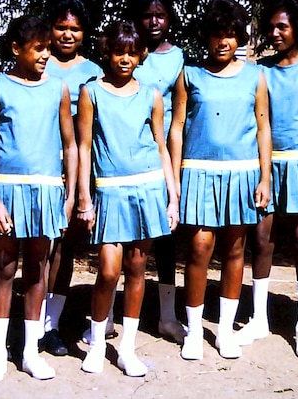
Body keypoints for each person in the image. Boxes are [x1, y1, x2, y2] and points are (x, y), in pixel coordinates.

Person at [0, 15, 77, 382]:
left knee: (38, 268)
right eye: (39, 48)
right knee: (5, 266)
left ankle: (30, 351)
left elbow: (70, 144)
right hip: (8, 189)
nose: (46, 54)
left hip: (47, 190)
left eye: (49, 47)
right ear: (16, 49)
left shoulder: (58, 89)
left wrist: (70, 195)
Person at [168, 0, 272, 361]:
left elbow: (262, 127)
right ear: (206, 37)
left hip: (242, 174)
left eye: (231, 35)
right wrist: (176, 178)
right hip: (198, 172)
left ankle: (224, 330)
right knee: (198, 248)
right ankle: (194, 331)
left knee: (235, 251)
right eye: (217, 35)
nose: (224, 42)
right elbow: (177, 127)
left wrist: (265, 177)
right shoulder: (189, 74)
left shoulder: (255, 76)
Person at [76, 21, 180, 376]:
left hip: (148, 188)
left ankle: (127, 349)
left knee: (137, 268)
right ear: (107, 53)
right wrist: (84, 198)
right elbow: (84, 147)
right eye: (119, 52)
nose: (125, 59)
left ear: (141, 55)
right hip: (109, 191)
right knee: (107, 271)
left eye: (132, 53)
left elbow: (162, 146)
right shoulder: (92, 92)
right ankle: (96, 341)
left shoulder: (151, 94)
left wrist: (171, 198)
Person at [236, 0, 298, 359]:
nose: (275, 34)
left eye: (282, 28)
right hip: (267, 164)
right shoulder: (262, 71)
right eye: (271, 28)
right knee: (261, 238)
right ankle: (259, 317)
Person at [40, 0, 102, 356]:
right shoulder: (37, 63)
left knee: (64, 247)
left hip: (77, 170)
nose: (67, 34)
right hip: (38, 167)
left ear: (84, 33)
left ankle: (52, 324)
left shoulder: (93, 71)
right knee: (37, 247)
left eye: (74, 29)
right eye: (61, 27)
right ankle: (30, 322)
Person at [129, 0, 187, 343]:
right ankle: (108, 318)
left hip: (161, 156)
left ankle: (168, 315)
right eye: (147, 14)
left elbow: (180, 117)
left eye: (160, 14)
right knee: (124, 238)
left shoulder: (178, 57)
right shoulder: (124, 50)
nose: (154, 21)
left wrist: (175, 173)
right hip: (124, 158)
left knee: (165, 239)